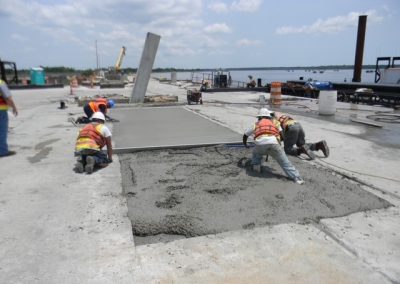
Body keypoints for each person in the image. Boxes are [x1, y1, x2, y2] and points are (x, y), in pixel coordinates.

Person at [243, 108, 305, 184]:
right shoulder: (275, 123)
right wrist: (278, 143)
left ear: (259, 117)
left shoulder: (256, 124)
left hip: (260, 144)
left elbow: (245, 135)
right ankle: (297, 179)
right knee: (285, 163)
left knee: (256, 153)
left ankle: (256, 167)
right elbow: (282, 135)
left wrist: (245, 144)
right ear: (268, 116)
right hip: (274, 143)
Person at [0, 79, 18, 157]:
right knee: (2, 131)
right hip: (1, 110)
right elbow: (8, 97)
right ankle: (2, 151)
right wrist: (14, 107)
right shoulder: (0, 82)